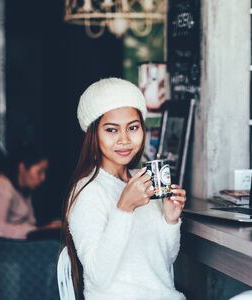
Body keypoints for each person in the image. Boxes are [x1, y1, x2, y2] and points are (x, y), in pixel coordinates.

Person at [62, 78, 187, 299]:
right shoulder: (88, 191)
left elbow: (163, 262)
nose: (124, 139)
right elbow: (98, 275)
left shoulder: (143, 183)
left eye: (133, 128)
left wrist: (170, 220)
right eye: (111, 130)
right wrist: (124, 208)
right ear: (94, 134)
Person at [0, 145, 51, 260]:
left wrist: (47, 229)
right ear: (22, 168)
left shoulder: (24, 190)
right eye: (40, 172)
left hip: (6, 252)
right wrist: (39, 231)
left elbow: (31, 222)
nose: (43, 178)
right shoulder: (2, 188)